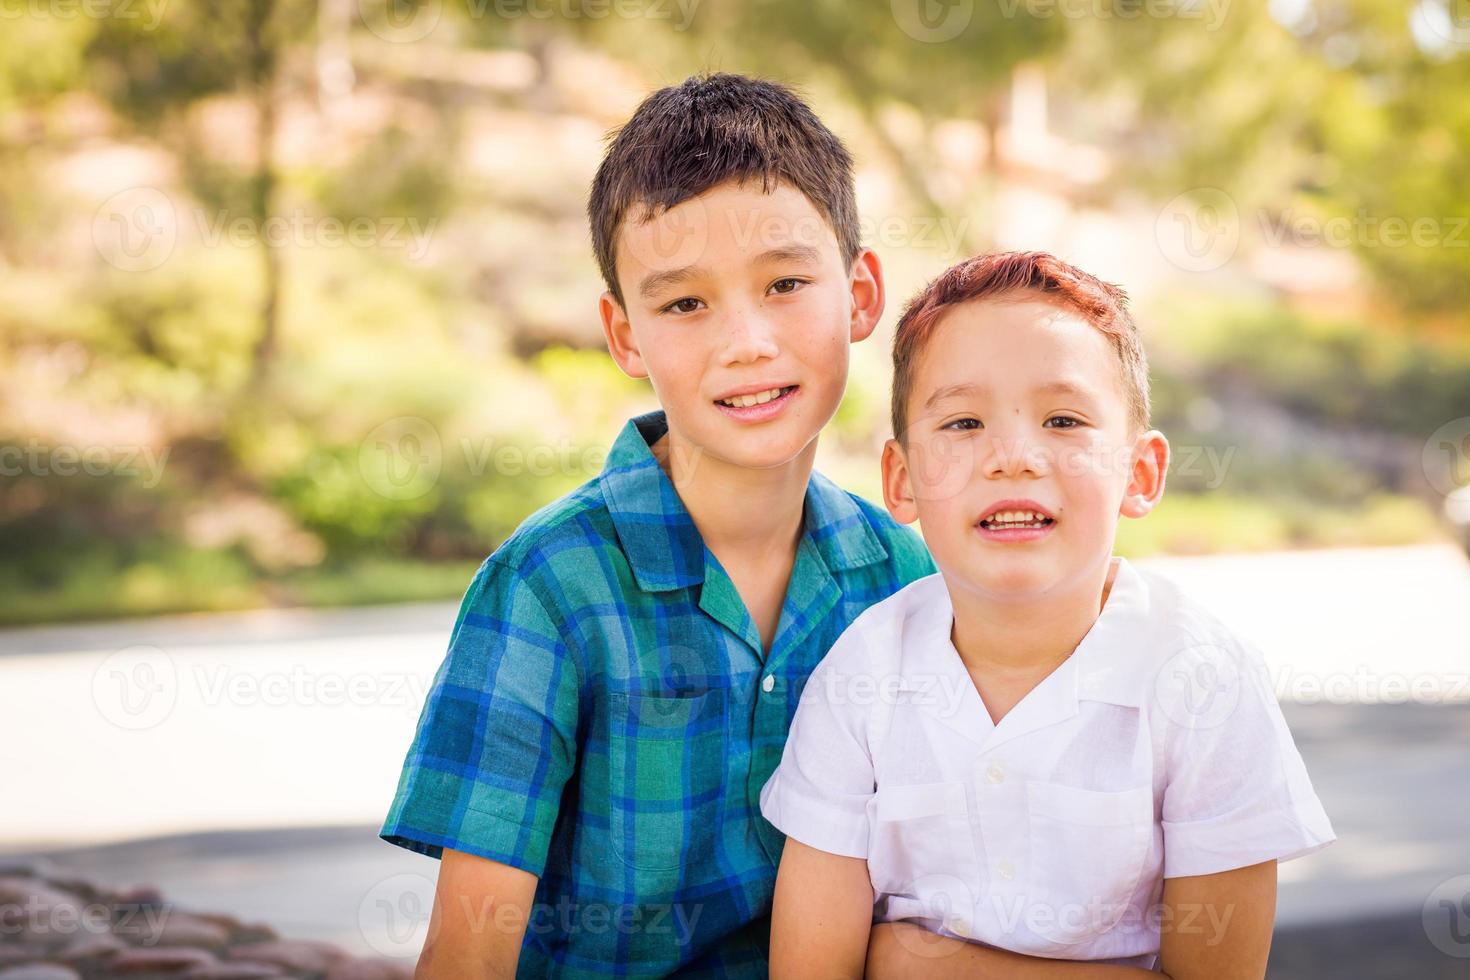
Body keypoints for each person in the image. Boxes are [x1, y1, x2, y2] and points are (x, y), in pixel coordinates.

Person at [379, 72, 935, 977]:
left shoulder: (902, 577)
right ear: (626, 334)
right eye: (685, 303)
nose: (746, 340)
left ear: (861, 294)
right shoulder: (550, 586)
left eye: (787, 282)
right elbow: (465, 956)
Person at [760, 251, 1336, 978]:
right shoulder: (862, 672)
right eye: (964, 422)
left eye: (1063, 419)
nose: (1013, 456)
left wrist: (924, 965)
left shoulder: (1201, 682)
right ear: (901, 482)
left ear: (1141, 472)